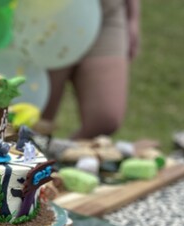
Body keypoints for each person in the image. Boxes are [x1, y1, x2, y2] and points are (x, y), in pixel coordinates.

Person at [40, 0, 140, 139]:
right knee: (36, 123)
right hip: (47, 14)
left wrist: (133, 16)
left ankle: (62, 154)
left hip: (107, 12)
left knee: (104, 120)